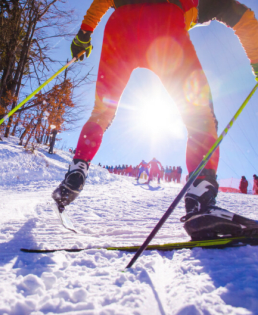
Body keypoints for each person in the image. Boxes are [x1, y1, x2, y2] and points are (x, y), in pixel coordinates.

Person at [52, 0, 258, 240]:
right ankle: (200, 198)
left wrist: (84, 33)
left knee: (102, 110)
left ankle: (78, 168)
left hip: (120, 25)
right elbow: (240, 15)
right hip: (165, 25)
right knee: (199, 115)